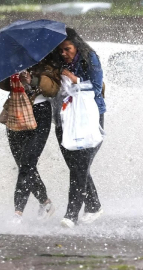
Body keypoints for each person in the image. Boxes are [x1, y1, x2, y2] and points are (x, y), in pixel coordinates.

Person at [0, 54, 61, 224]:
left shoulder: (49, 59)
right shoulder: (13, 59)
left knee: (27, 163)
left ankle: (18, 213)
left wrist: (32, 79)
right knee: (23, 165)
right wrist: (11, 74)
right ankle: (46, 202)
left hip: (40, 113)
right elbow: (1, 84)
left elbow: (54, 89)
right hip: (16, 111)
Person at [53, 27, 106, 228]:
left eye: (67, 49)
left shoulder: (89, 57)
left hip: (89, 117)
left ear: (77, 45)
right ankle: (93, 206)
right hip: (64, 118)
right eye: (60, 51)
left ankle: (71, 215)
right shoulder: (57, 64)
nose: (64, 54)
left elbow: (97, 85)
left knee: (80, 166)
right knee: (76, 166)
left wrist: (76, 80)